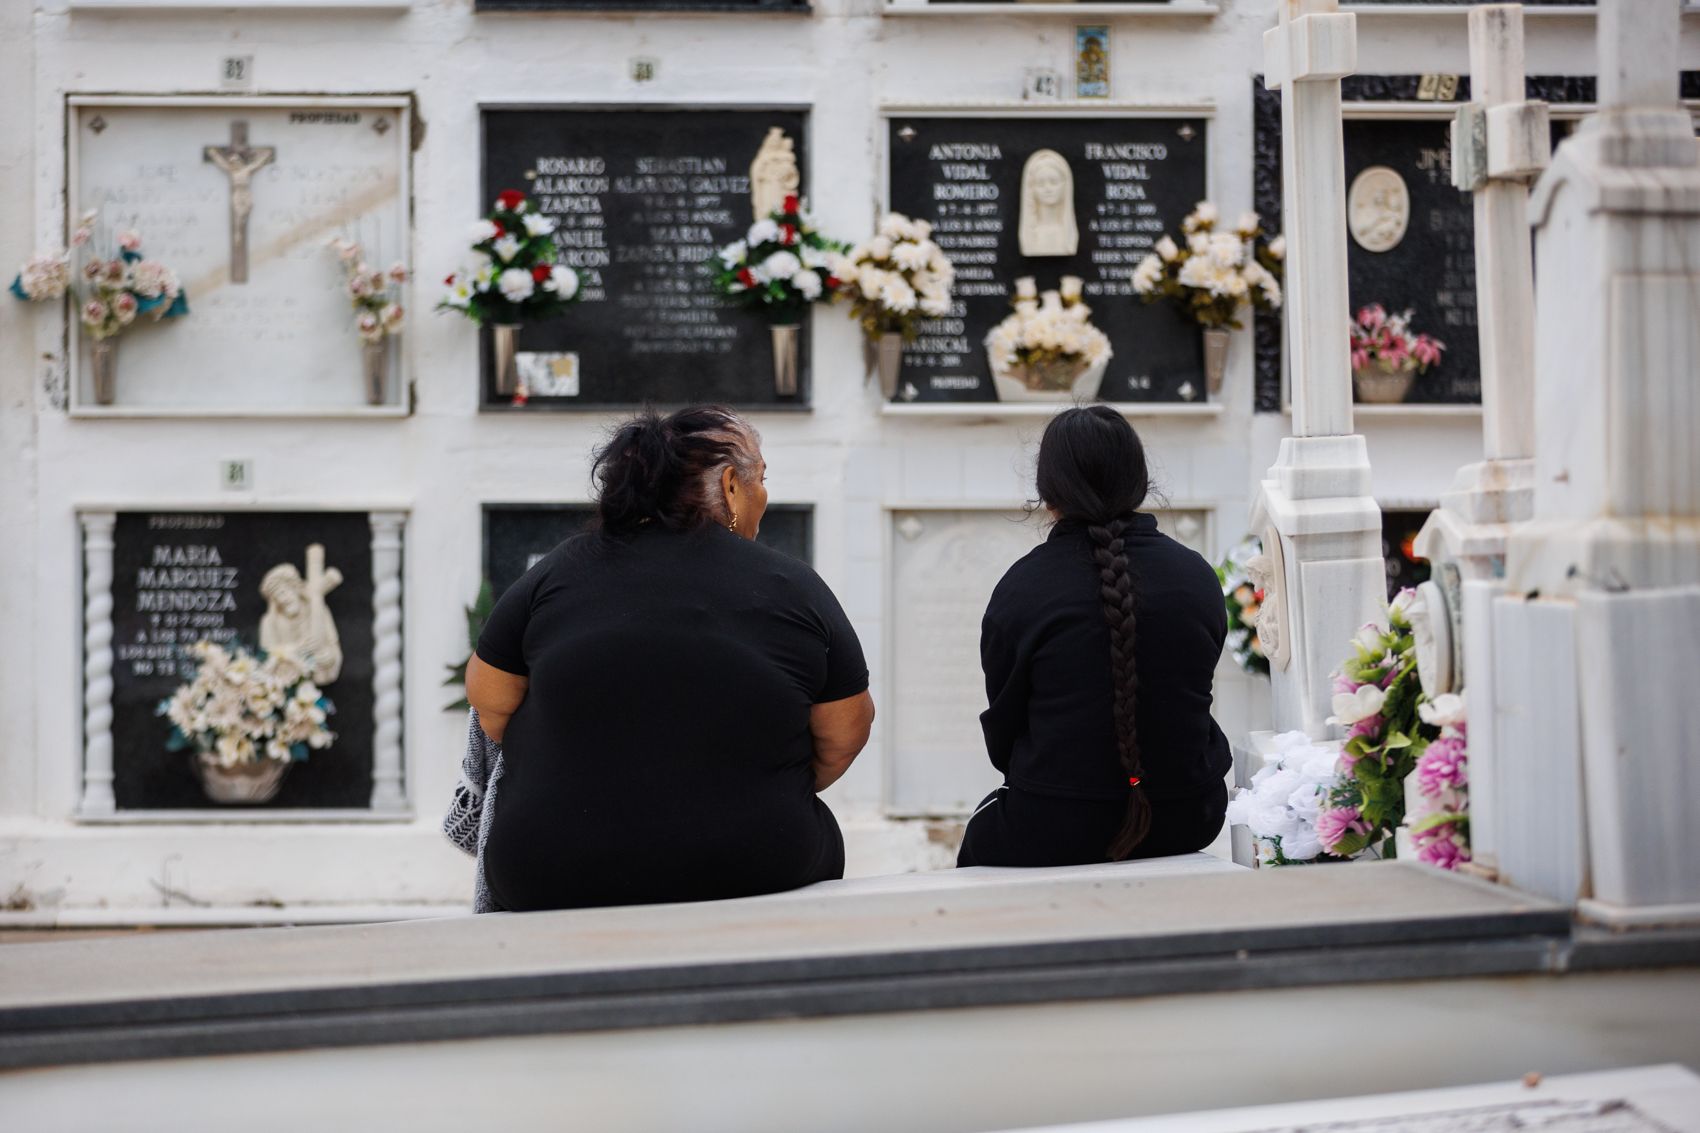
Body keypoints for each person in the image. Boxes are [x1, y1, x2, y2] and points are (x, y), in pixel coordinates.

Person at [466, 405, 874, 911]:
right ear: (730, 486)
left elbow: (492, 704)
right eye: (762, 480)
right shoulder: (793, 585)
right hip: (755, 860)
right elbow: (845, 734)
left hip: (549, 869)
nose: (764, 496)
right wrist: (745, 781)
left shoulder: (556, 572)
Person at [958, 405, 1231, 867]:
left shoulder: (1022, 588)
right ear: (1138, 482)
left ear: (1048, 492)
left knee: (978, 841)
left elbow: (1005, 731)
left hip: (1054, 822)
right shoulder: (1196, 576)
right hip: (1190, 812)